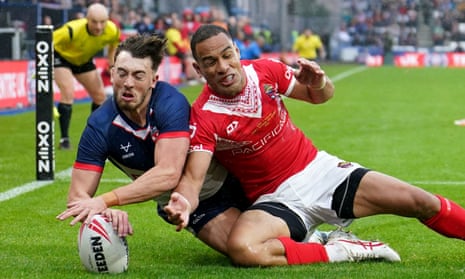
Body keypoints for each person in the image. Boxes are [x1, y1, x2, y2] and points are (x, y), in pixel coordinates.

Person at [164, 24, 465, 267]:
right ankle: (342, 250)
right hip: (275, 201)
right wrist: (184, 202)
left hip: (320, 172)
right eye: (210, 62)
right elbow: (193, 178)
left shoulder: (266, 70)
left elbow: (320, 96)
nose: (222, 66)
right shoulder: (203, 117)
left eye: (227, 55)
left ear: (237, 51)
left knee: (420, 201)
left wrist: (319, 82)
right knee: (243, 248)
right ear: (198, 70)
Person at [55, 34, 249, 254]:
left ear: (153, 80)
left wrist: (106, 200)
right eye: (122, 73)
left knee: (282, 230)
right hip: (193, 206)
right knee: (244, 249)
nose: (128, 83)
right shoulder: (99, 126)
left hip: (230, 179)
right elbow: (77, 199)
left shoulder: (169, 102)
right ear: (112, 74)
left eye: (138, 75)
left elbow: (168, 173)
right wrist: (103, 215)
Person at [53, 3, 120, 150]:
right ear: (87, 19)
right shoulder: (71, 30)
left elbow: (114, 45)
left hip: (83, 60)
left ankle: (94, 136)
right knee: (68, 94)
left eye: (102, 22)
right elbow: (46, 42)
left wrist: (111, 64)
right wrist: (42, 66)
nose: (98, 26)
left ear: (107, 20)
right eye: (94, 22)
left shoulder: (112, 30)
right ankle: (64, 140)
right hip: (61, 58)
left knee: (100, 96)